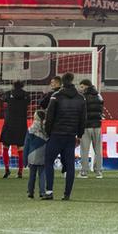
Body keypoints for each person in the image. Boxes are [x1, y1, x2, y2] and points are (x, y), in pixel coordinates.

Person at [41, 72, 85, 200]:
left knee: (48, 162)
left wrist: (48, 132)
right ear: (72, 81)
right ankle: (67, 194)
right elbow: (83, 118)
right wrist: (80, 135)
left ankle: (49, 192)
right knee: (70, 165)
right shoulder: (80, 98)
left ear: (62, 82)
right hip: (71, 136)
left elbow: (50, 117)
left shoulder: (56, 96)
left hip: (56, 134)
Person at [0, 80, 28, 179]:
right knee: (20, 148)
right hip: (21, 124)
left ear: (13, 86)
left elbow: (2, 98)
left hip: (9, 123)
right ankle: (20, 171)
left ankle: (7, 169)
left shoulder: (8, 94)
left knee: (5, 147)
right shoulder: (26, 95)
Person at [77, 78, 104, 179]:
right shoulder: (99, 96)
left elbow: (80, 112)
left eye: (82, 86)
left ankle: (84, 172)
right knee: (98, 150)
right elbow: (101, 109)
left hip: (86, 126)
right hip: (97, 126)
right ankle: (98, 171)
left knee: (84, 150)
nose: (80, 88)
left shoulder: (82, 97)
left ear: (86, 86)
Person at [24, 109, 49, 199]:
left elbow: (26, 145)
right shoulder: (47, 128)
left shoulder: (31, 129)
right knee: (42, 175)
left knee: (32, 175)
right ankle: (42, 192)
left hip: (32, 154)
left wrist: (25, 159)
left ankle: (30, 192)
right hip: (44, 153)